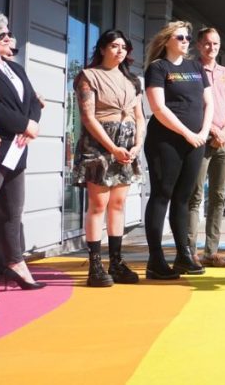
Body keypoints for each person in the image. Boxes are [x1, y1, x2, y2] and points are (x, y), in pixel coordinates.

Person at [0, 12, 44, 296]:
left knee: (13, 210)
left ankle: (13, 261)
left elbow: (34, 101)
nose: (7, 39)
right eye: (0, 35)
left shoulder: (16, 70)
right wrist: (22, 124)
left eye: (8, 34)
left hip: (19, 148)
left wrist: (32, 123)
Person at [71, 29, 147, 286]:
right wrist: (112, 148)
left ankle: (116, 261)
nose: (119, 51)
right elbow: (88, 117)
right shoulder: (88, 76)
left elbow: (139, 116)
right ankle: (95, 264)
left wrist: (137, 144)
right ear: (102, 48)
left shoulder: (133, 81)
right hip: (99, 144)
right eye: (114, 46)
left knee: (118, 204)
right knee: (98, 204)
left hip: (126, 145)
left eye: (123, 47)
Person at [143, 22, 213, 280]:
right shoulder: (158, 68)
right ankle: (155, 260)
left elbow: (209, 102)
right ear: (167, 40)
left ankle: (184, 256)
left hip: (196, 140)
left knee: (183, 198)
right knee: (162, 195)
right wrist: (187, 133)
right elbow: (158, 108)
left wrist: (204, 132)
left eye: (187, 37)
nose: (185, 41)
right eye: (180, 37)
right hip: (167, 141)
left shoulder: (196, 67)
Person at [187, 27, 225, 268]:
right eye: (207, 43)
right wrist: (212, 131)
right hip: (200, 138)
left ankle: (211, 252)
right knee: (195, 195)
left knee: (218, 196)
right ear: (198, 45)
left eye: (216, 44)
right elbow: (191, 107)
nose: (212, 48)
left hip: (223, 141)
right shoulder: (191, 71)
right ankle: (190, 252)